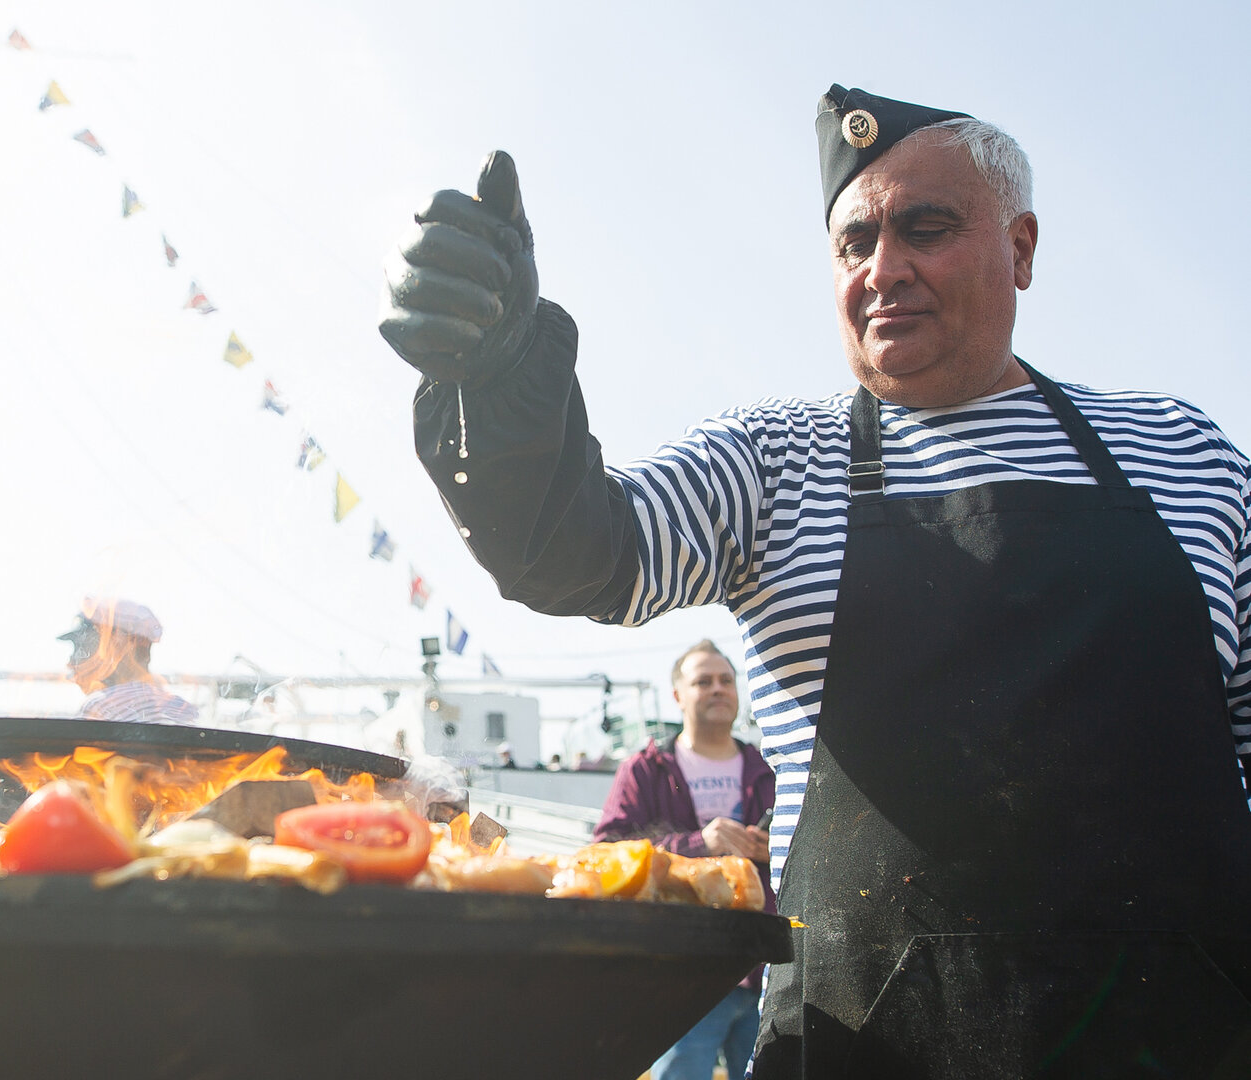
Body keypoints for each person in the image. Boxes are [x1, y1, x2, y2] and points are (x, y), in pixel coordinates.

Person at [378, 85, 1251, 1076]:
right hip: (861, 1048)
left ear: (1022, 247)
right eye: (854, 243)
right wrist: (497, 383)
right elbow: (581, 552)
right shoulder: (775, 460)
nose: (885, 270)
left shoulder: (1184, 451)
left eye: (926, 227)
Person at [595, 640, 775, 1080]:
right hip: (681, 971)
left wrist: (777, 848)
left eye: (726, 680)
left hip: (764, 967)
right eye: (703, 681)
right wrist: (699, 843)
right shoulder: (643, 769)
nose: (718, 689)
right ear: (677, 695)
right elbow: (604, 854)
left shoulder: (771, 768)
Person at [59, 596, 199, 725]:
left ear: (116, 644)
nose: (71, 662)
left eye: (82, 646)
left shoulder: (99, 708)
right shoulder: (182, 709)